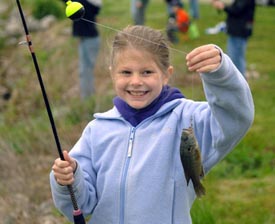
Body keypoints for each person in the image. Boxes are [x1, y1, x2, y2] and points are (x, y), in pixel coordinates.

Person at [50, 25, 254, 223]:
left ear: (167, 74)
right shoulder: (97, 130)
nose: (136, 81)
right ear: (112, 74)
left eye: (147, 72)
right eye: (126, 72)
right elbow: (81, 205)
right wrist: (68, 178)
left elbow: (236, 117)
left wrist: (221, 75)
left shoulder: (188, 118)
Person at [211, 0, 256, 77]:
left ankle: (239, 80)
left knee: (236, 59)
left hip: (239, 31)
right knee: (236, 57)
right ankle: (238, 79)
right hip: (237, 31)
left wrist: (223, 6)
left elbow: (237, 10)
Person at [72, 0, 102, 99]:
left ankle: (87, 99)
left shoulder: (84, 4)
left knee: (85, 71)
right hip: (86, 40)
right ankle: (88, 97)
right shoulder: (86, 3)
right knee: (85, 71)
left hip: (90, 41)